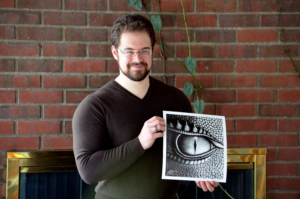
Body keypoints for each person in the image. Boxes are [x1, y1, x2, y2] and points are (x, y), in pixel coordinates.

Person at [72, 14, 218, 199]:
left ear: (153, 50)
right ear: (115, 52)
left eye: (144, 51)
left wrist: (201, 172)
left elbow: (190, 157)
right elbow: (88, 171)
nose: (137, 59)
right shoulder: (95, 106)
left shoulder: (176, 99)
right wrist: (140, 142)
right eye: (129, 51)